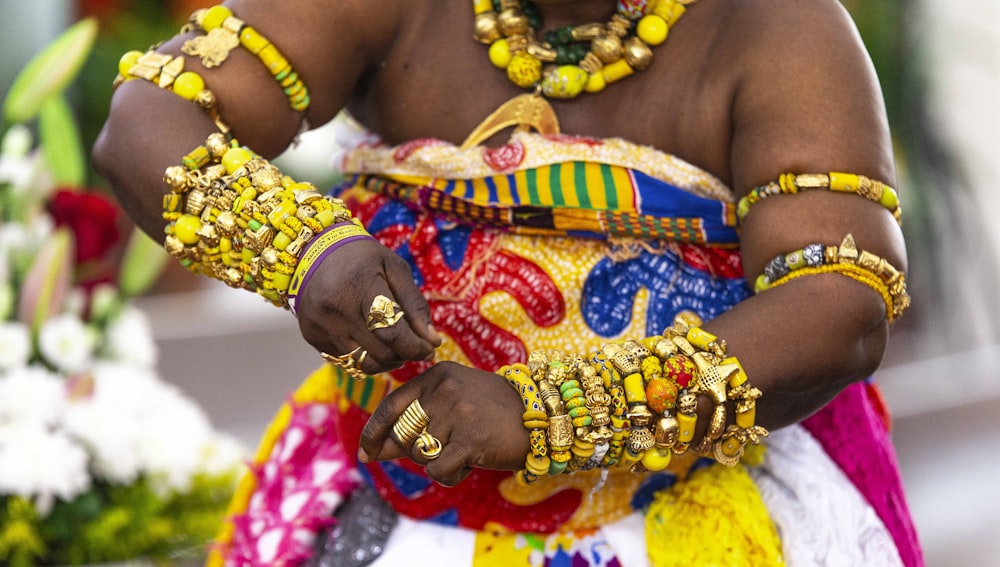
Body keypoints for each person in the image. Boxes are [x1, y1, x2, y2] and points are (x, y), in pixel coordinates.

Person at [93, 0, 922, 564]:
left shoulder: (781, 28)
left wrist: (541, 413)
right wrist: (308, 250)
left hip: (689, 515)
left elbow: (838, 306)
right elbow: (147, 119)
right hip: (391, 508)